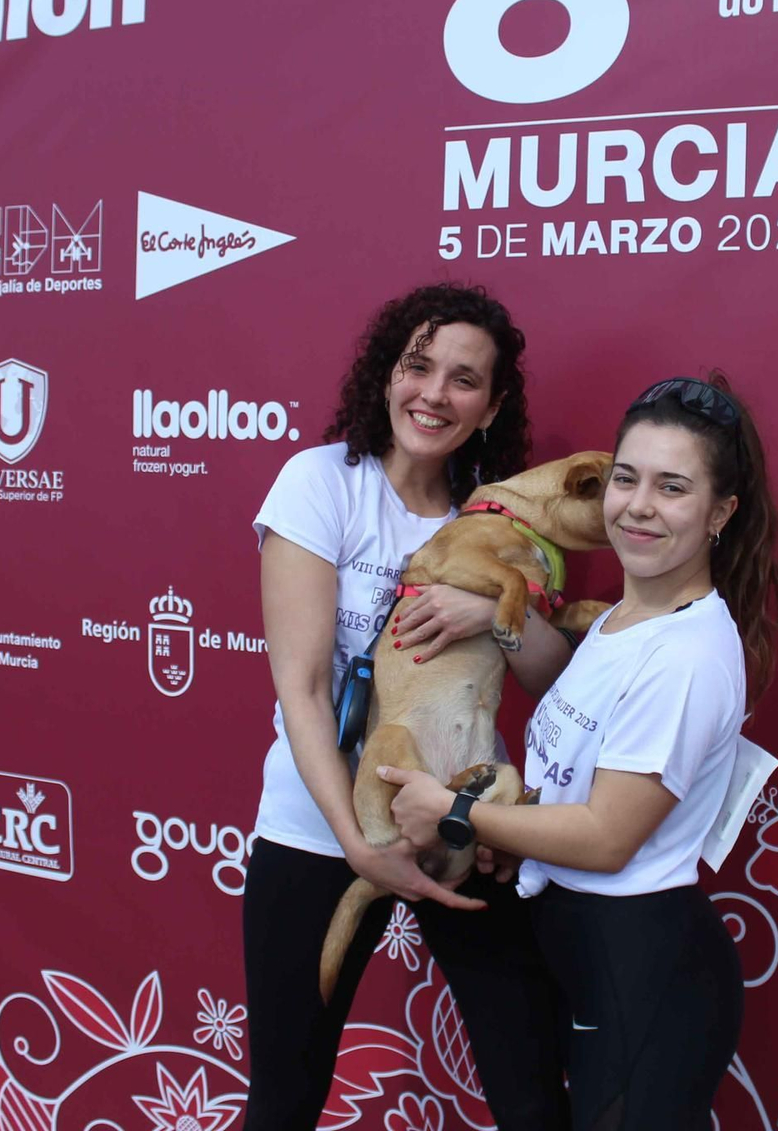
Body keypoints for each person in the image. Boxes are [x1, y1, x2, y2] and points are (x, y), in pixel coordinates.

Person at [382, 373, 778, 1130]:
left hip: (647, 980)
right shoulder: (619, 621)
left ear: (720, 513)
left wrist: (457, 811)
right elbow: (574, 778)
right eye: (627, 478)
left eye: (672, 488)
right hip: (586, 956)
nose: (638, 504)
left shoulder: (688, 655)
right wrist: (513, 832)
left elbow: (605, 837)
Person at [243, 283, 571, 1130]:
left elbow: (551, 674)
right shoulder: (320, 483)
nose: (433, 393)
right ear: (385, 373)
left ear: (493, 404)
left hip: (463, 817)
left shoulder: (494, 512)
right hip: (320, 830)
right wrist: (361, 846)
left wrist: (490, 615)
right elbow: (305, 691)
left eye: (464, 379)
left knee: (531, 1086)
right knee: (285, 1097)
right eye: (417, 365)